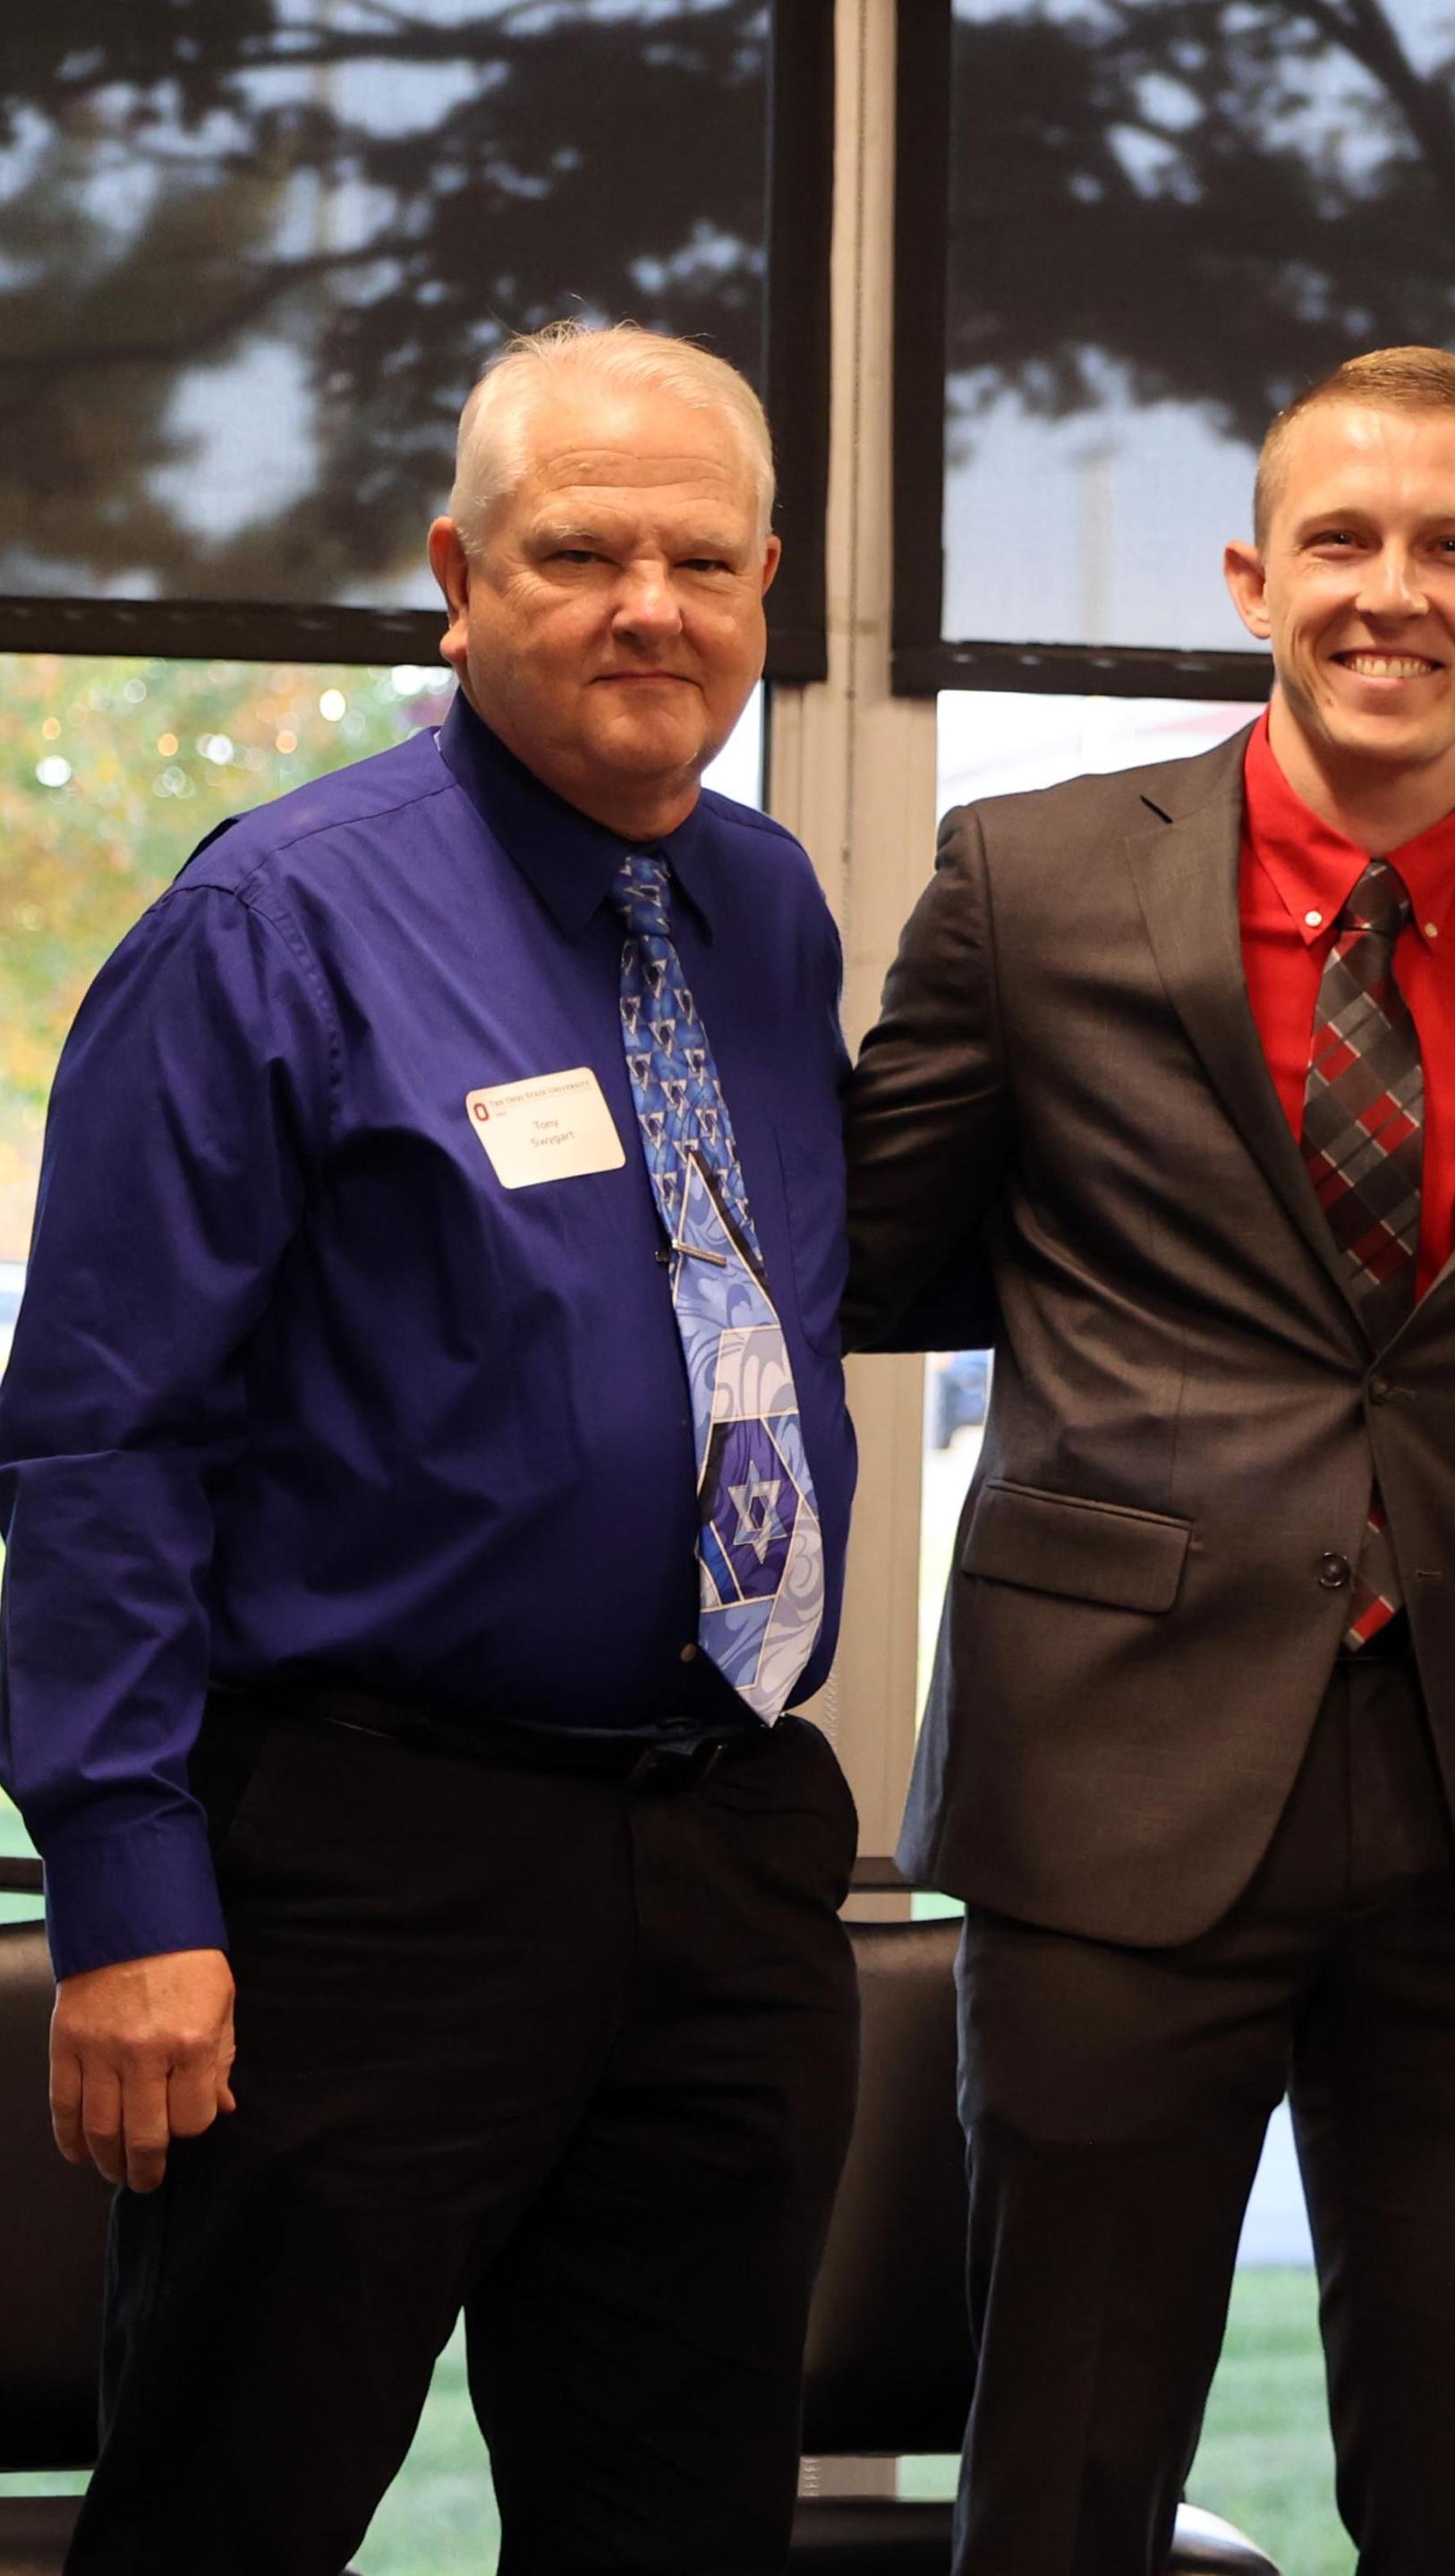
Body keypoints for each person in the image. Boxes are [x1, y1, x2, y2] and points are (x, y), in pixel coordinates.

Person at [0, 322, 864, 2575]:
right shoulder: (272, 919)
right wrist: (125, 1885)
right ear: (454, 576)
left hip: (730, 1834)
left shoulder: (765, 907)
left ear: (772, 582)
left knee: (678, 2528)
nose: (646, 606)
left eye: (700, 557)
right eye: (579, 550)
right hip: (369, 1868)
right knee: (233, 2510)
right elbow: (101, 1435)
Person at [839, 346, 1455, 2573]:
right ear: (1251, 573)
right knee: (1068, 2468)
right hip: (1113, 1765)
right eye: (1340, 538)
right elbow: (877, 1247)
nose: (1388, 591)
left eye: (1449, 548)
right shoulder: (1028, 880)